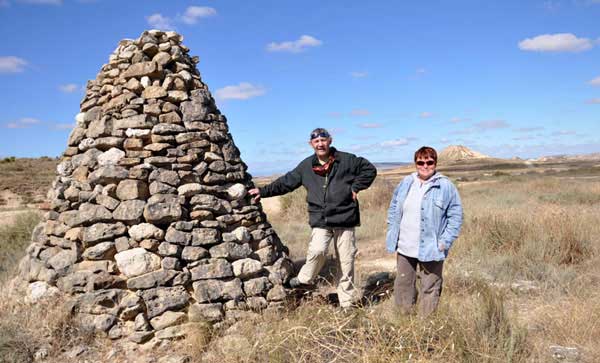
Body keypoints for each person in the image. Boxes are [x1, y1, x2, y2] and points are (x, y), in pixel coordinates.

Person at [249, 128, 377, 308]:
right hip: (321, 219)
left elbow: (369, 169)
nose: (320, 144)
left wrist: (356, 187)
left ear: (330, 141)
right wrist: (262, 192)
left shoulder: (346, 160)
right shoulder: (306, 166)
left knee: (346, 261)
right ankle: (304, 279)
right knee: (317, 251)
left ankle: (346, 303)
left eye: (323, 140)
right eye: (316, 142)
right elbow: (286, 182)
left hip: (345, 218)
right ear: (311, 144)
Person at [385, 146, 462, 316]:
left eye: (429, 162)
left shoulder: (445, 186)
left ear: (435, 163)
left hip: (431, 247)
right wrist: (392, 232)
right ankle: (403, 322)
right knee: (403, 285)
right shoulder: (406, 182)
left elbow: (455, 216)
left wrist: (444, 242)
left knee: (430, 286)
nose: (425, 166)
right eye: (421, 162)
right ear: (415, 163)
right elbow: (393, 208)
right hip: (405, 246)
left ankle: (425, 326)